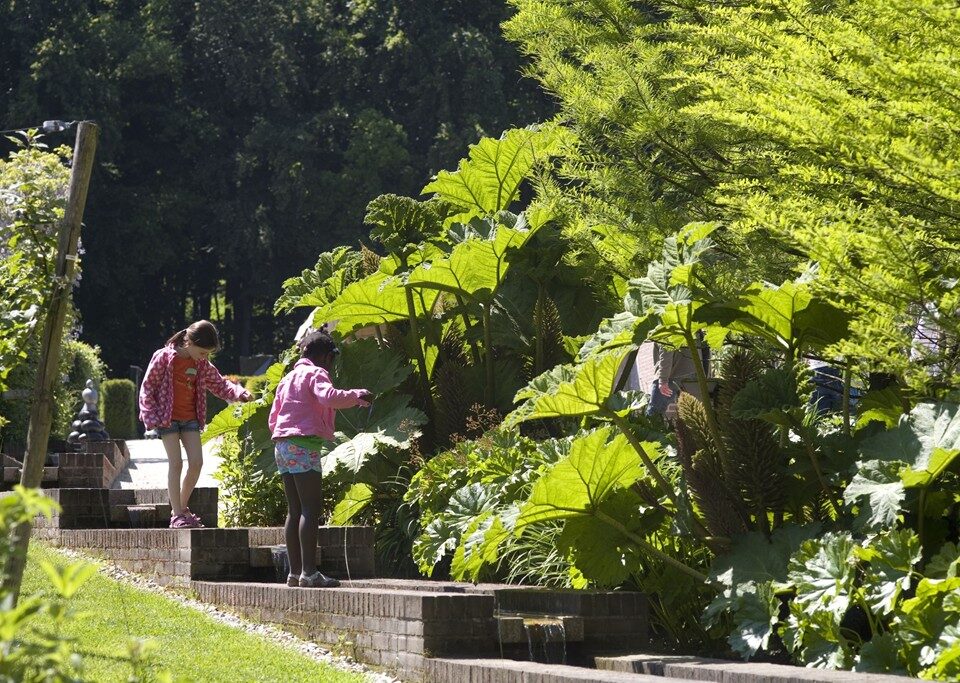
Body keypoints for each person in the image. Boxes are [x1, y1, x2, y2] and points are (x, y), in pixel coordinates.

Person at [269, 329, 371, 589]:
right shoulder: (316, 373)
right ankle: (310, 574)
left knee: (294, 510)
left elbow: (274, 416)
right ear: (326, 357)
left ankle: (294, 574)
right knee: (310, 509)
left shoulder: (288, 378)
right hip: (304, 445)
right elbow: (328, 396)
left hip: (281, 446)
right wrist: (356, 395)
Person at [139, 320, 252, 529]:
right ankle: (178, 515)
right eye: (202, 352)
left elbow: (220, 384)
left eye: (207, 354)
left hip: (190, 418)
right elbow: (147, 388)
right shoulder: (163, 357)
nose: (205, 357)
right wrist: (150, 416)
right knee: (176, 463)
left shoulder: (200, 363)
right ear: (188, 342)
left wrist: (240, 393)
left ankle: (180, 509)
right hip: (167, 418)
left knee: (197, 462)